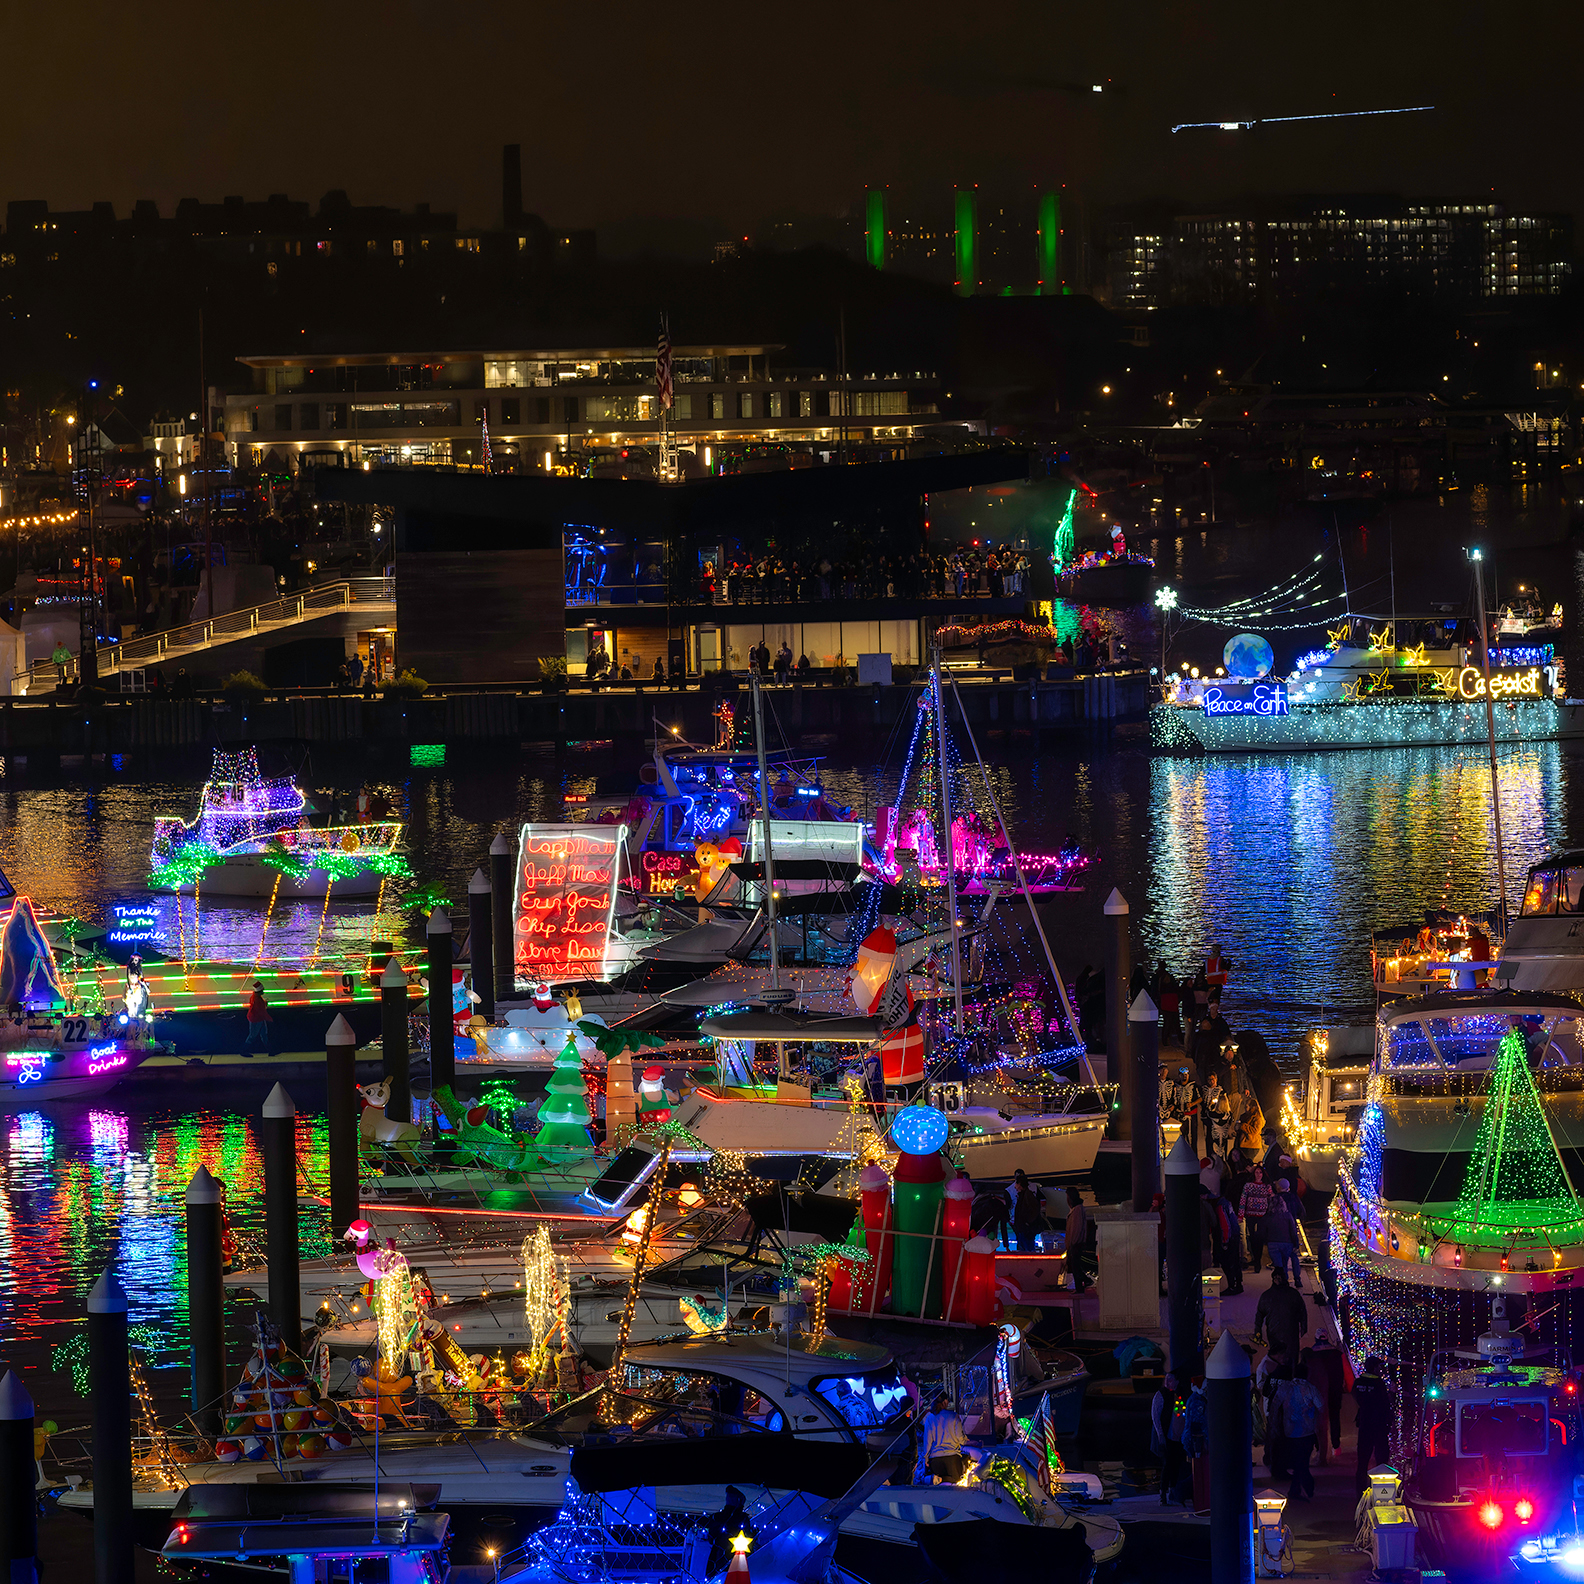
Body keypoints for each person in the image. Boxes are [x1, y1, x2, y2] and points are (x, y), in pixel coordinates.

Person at [1274, 1367, 1322, 1499]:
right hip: (1306, 1432)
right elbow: (1321, 1407)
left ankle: (1296, 1490)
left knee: (1297, 1462)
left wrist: (1274, 1425)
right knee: (1302, 1462)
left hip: (1289, 1431)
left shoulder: (1285, 1387)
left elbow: (1274, 1406)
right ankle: (1305, 1485)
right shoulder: (1311, 1388)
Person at [1352, 1356, 1395, 1493]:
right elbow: (1385, 1405)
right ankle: (1381, 1492)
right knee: (1381, 1459)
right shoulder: (1379, 1384)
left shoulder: (1358, 1382)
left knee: (1362, 1460)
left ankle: (1360, 1492)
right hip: (1379, 1425)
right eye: (1379, 1367)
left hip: (1365, 1424)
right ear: (1375, 1367)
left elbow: (1357, 1398)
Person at [1302, 1330, 1346, 1455]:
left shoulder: (1311, 1354)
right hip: (1334, 1390)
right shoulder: (1336, 1353)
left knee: (1316, 1419)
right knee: (1334, 1418)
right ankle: (1336, 1446)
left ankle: (1318, 1448)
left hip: (1318, 1390)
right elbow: (1340, 1373)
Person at [1254, 1267, 1309, 1362]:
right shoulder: (1291, 1294)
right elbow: (1260, 1314)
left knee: (1284, 1355)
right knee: (1282, 1355)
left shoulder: (1268, 1295)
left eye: (1279, 1277)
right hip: (1283, 1331)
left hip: (1281, 1330)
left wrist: (1257, 1330)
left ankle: (1285, 1373)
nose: (1277, 1279)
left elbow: (1302, 1311)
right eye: (1276, 1277)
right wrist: (1257, 1330)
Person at [1152, 1373, 1187, 1506]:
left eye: (1171, 1379)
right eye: (1167, 1379)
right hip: (1167, 1436)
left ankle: (1173, 1492)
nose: (1168, 1382)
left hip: (1177, 1436)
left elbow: (1181, 1414)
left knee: (1176, 1464)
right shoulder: (1161, 1395)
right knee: (1167, 1465)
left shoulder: (1179, 1394)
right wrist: (1161, 1436)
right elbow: (1156, 1416)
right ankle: (1163, 1494)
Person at [921, 1393, 970, 1483]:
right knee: (955, 1486)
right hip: (952, 1458)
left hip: (935, 1459)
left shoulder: (930, 1418)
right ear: (945, 1401)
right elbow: (960, 1439)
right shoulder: (954, 1416)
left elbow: (927, 1442)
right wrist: (966, 1440)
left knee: (939, 1490)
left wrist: (926, 1458)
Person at [1265, 1183, 1303, 1289]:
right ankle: (1296, 1279)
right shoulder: (1289, 1212)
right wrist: (1295, 1242)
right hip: (1287, 1241)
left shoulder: (1269, 1216)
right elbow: (1293, 1229)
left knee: (1279, 1265)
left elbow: (1264, 1229)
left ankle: (1282, 1283)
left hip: (1272, 1242)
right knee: (1291, 1259)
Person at [1008, 1169, 1048, 1252]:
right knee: (1025, 1249)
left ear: (1020, 1185)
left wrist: (1027, 1223)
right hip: (1023, 1230)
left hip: (1025, 1231)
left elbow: (1034, 1209)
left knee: (1027, 1250)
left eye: (1016, 1183)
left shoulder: (1027, 1196)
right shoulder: (1025, 1194)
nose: (1015, 1186)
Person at [1063, 1188, 1090, 1291]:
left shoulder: (1077, 1210)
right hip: (1076, 1242)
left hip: (1075, 1243)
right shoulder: (1078, 1209)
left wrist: (1072, 1243)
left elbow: (1076, 1228)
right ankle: (1081, 1285)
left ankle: (1081, 1285)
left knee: (1075, 1266)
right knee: (1076, 1266)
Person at [243, 981, 273, 1055]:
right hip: (256, 1019)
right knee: (253, 1035)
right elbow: (261, 1012)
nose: (263, 991)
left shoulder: (254, 997)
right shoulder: (258, 1000)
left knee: (263, 1035)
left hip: (257, 1018)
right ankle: (244, 1050)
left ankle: (271, 1050)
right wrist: (270, 1019)